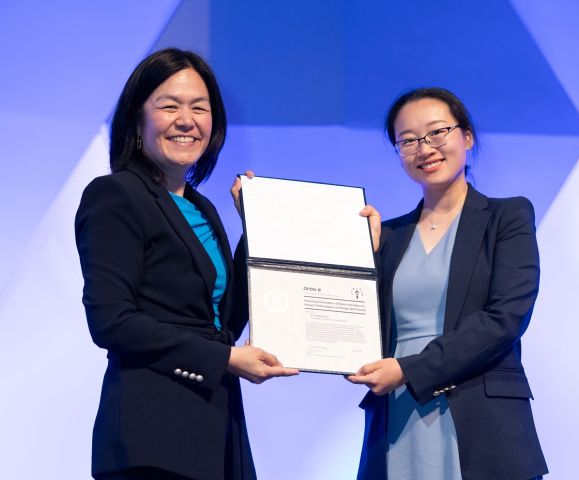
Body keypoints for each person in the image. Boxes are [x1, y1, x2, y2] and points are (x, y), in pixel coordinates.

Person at [75, 48, 297, 480]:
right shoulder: (115, 195)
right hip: (151, 433)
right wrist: (226, 360)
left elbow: (221, 324)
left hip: (217, 424)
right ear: (137, 120)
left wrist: (258, 230)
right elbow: (112, 321)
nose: (186, 119)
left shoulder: (202, 208)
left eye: (200, 107)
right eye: (168, 105)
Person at [347, 87, 548, 480]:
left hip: (480, 421)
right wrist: (363, 259)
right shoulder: (386, 236)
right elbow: (356, 323)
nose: (424, 148)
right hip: (398, 416)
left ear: (467, 137)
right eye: (407, 140)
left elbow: (504, 319)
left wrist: (408, 369)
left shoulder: (507, 217)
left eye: (437, 132)